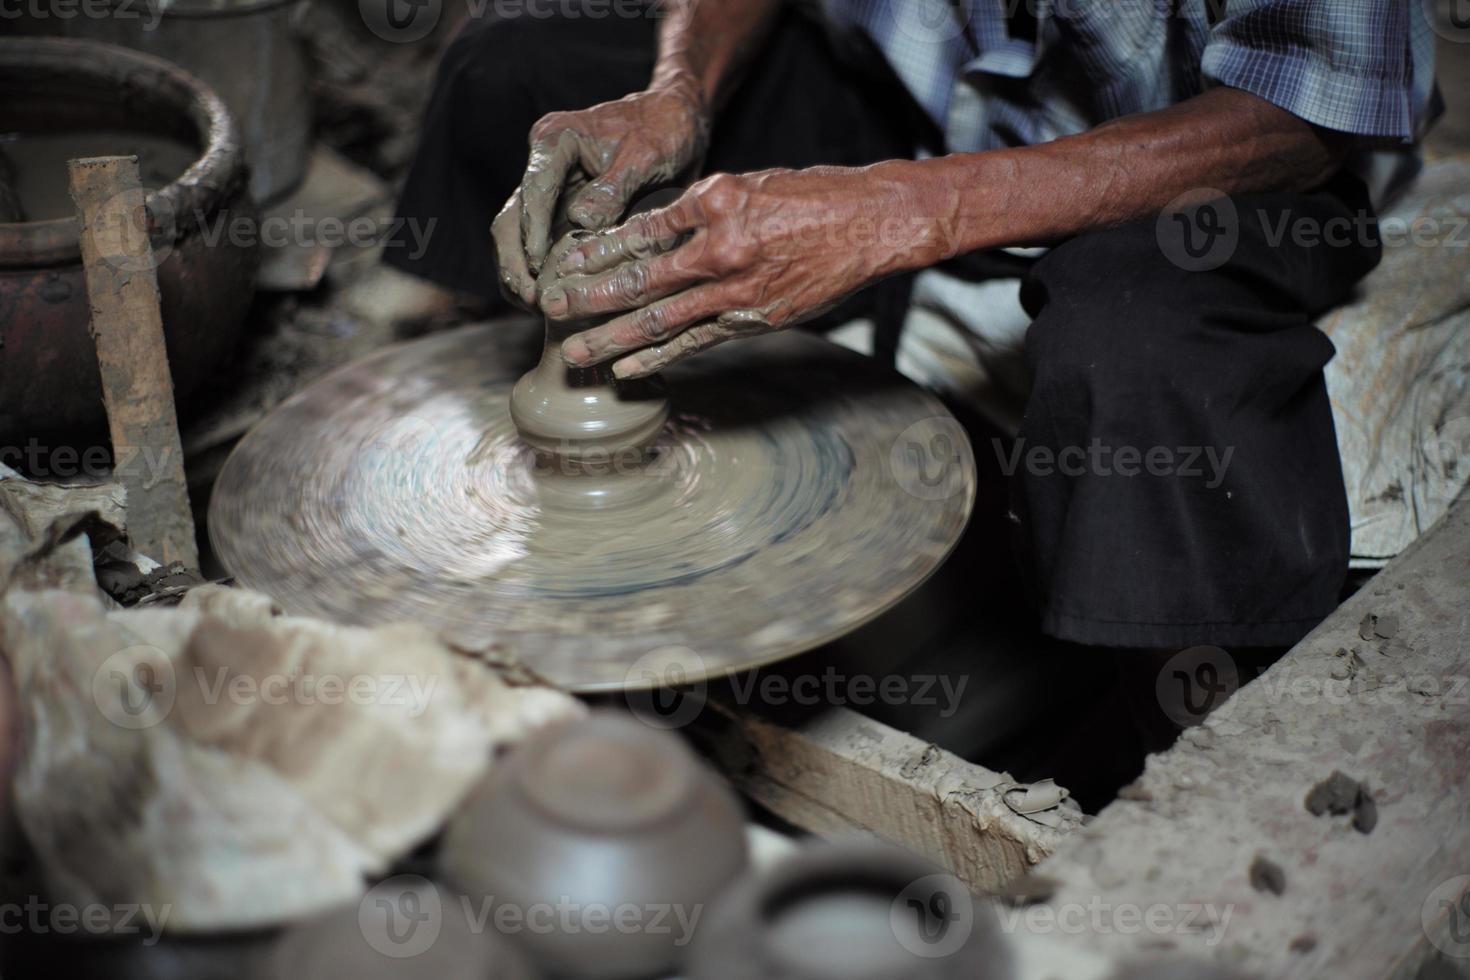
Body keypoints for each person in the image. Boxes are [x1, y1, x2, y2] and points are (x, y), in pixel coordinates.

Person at [389, 0, 1439, 661]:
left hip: (1198, 154)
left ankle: (1174, 739)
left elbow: (1306, 119)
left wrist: (899, 212)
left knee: (1135, 345)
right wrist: (679, 92)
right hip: (924, 97)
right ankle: (534, 545)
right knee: (507, 72)